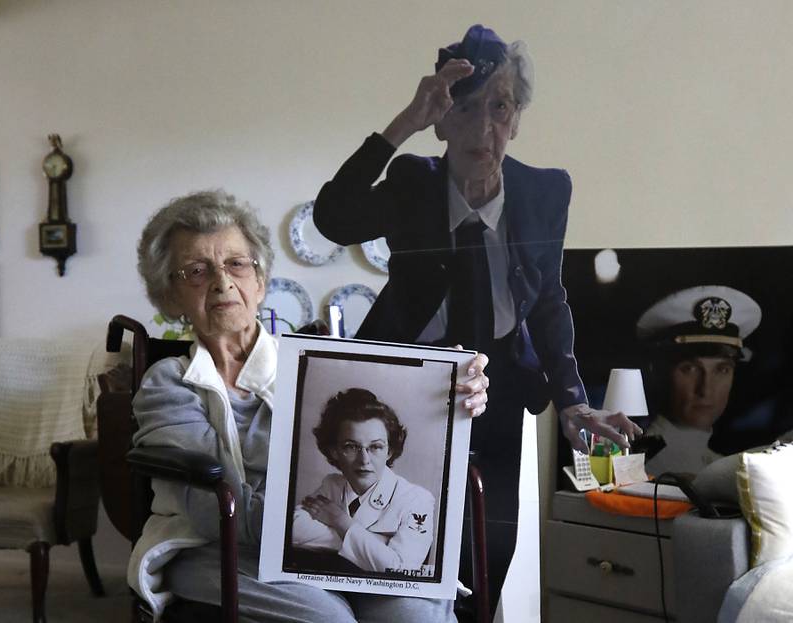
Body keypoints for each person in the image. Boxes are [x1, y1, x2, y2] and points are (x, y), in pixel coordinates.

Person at [313, 24, 640, 602]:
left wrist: (572, 401)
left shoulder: (544, 193)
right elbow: (334, 219)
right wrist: (404, 121)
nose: (482, 128)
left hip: (500, 393)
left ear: (517, 119)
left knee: (488, 555)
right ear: (440, 120)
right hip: (405, 391)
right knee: (393, 551)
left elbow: (547, 299)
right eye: (463, 107)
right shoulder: (414, 183)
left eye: (500, 107)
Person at [126, 189, 490, 623]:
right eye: (197, 271)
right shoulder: (167, 383)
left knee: (416, 617)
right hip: (216, 547)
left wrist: (450, 392)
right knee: (328, 619)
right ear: (170, 297)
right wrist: (342, 534)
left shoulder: (318, 365)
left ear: (260, 282)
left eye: (237, 264)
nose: (223, 282)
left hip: (327, 539)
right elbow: (211, 510)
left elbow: (395, 415)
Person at [291, 388, 435, 576]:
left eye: (375, 447)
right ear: (334, 450)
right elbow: (292, 530)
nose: (364, 460)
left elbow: (400, 570)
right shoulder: (331, 485)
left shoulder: (417, 499)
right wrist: (379, 544)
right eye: (351, 447)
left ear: (389, 451)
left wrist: (341, 522)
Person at [637, 285, 762, 476]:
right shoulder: (649, 465)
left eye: (722, 369)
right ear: (658, 372)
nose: (706, 389)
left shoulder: (716, 462)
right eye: (690, 369)